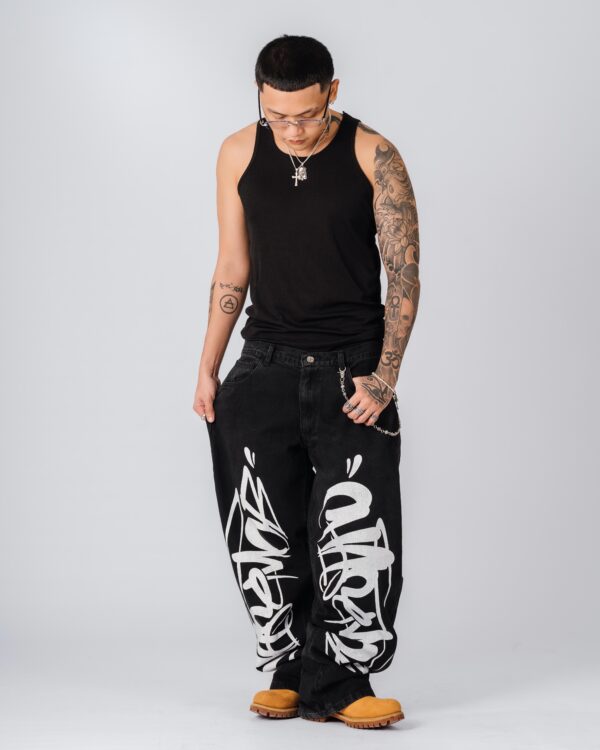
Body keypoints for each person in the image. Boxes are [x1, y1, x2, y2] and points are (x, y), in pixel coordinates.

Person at [193, 34, 420, 730]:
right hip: (263, 364)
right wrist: (207, 367)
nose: (291, 131)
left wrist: (383, 378)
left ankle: (342, 681)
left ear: (333, 94)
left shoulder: (374, 155)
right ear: (259, 101)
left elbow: (404, 276)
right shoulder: (238, 152)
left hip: (352, 372)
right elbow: (232, 267)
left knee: (355, 529)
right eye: (276, 117)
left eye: (307, 115)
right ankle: (290, 671)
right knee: (264, 527)